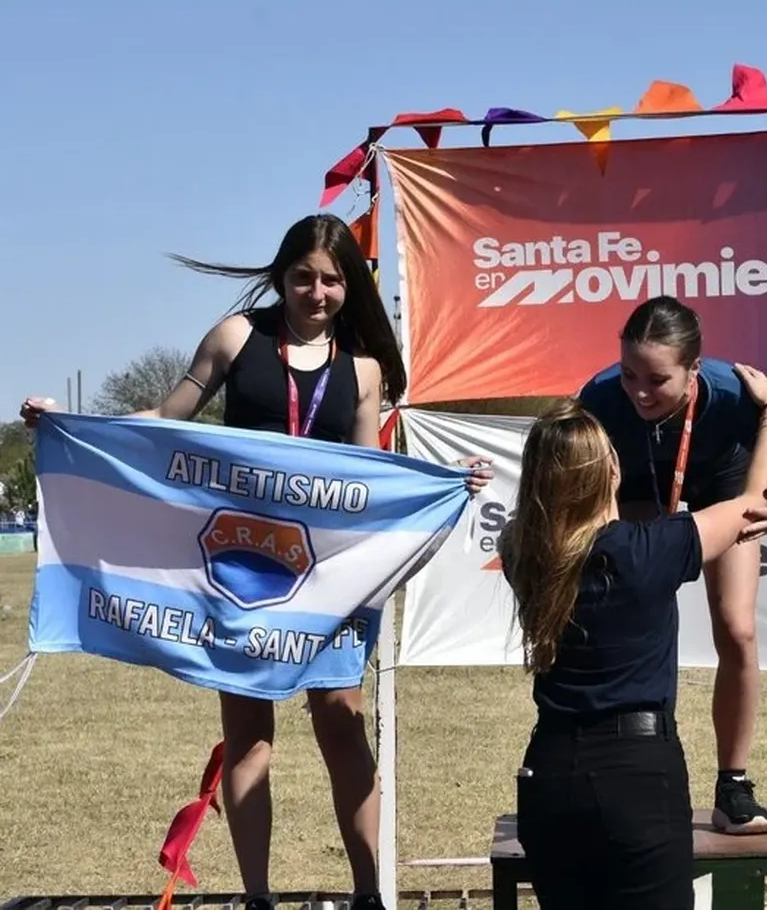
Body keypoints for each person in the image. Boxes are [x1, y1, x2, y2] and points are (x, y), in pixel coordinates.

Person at [21, 213, 492, 910]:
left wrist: (451, 478)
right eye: (303, 276)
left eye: (332, 280)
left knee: (342, 725)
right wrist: (67, 423)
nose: (317, 292)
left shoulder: (362, 368)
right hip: (235, 571)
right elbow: (167, 416)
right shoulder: (237, 337)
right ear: (281, 275)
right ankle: (259, 898)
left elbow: (370, 477)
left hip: (327, 582)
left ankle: (370, 894)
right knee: (247, 739)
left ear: (349, 285)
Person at [503, 367, 767, 909]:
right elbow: (753, 501)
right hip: (634, 774)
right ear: (611, 469)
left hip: (548, 770)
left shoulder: (521, 549)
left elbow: (540, 516)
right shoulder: (647, 550)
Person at [575, 296, 767, 835]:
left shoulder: (734, 397)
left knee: (738, 628)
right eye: (629, 372)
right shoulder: (602, 399)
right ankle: (628, 773)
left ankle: (734, 787)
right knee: (633, 624)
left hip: (722, 483)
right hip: (634, 484)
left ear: (694, 370)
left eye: (657, 380)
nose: (638, 390)